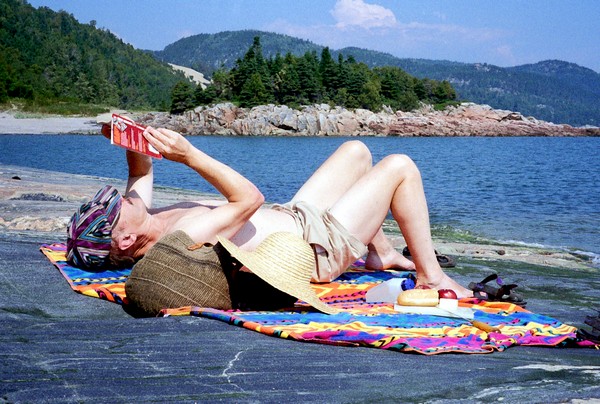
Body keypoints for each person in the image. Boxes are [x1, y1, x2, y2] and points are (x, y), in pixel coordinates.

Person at [67, 125, 471, 297]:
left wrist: (129, 137)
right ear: (124, 239)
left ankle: (379, 251)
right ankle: (431, 276)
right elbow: (249, 199)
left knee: (357, 151)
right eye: (117, 207)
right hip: (313, 248)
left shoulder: (143, 220)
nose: (124, 198)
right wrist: (189, 154)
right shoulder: (179, 239)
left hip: (295, 216)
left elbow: (140, 169)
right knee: (399, 166)